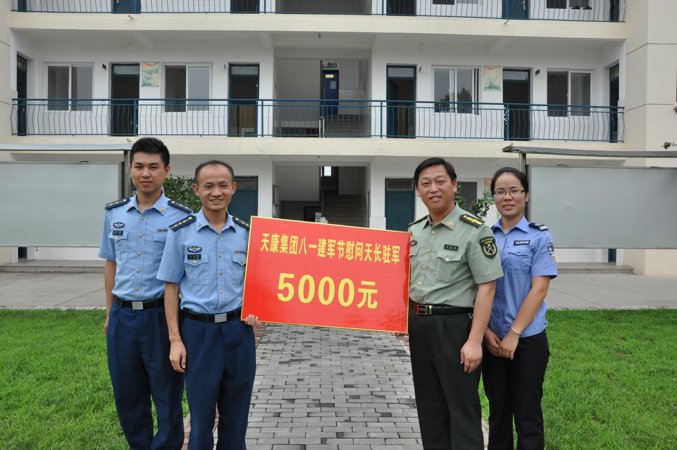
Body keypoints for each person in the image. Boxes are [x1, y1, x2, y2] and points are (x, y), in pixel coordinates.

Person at [157, 160, 260, 450]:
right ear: (196, 189)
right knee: (201, 419)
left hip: (238, 331)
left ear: (233, 188)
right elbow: (170, 287)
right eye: (209, 186)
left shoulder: (248, 234)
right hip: (198, 333)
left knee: (236, 417)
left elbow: (257, 284)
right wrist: (175, 340)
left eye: (223, 185)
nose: (216, 192)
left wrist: (257, 310)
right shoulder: (181, 232)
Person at [99, 137, 191, 449]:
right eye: (139, 166)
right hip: (122, 318)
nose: (145, 173)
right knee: (127, 395)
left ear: (167, 170)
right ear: (130, 170)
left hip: (161, 318)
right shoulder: (115, 214)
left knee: (167, 396)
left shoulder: (182, 217)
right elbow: (111, 263)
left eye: (153, 166)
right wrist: (110, 313)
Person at [408, 157, 504, 449]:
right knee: (429, 404)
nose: (433, 189)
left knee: (461, 407)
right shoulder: (414, 231)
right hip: (419, 326)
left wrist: (474, 341)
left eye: (440, 181)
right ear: (418, 191)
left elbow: (487, 287)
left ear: (454, 185)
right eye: (425, 184)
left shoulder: (474, 230)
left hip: (454, 328)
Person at [482, 167, 557, 450]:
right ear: (494, 197)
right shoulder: (484, 236)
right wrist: (485, 331)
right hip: (492, 340)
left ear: (525, 195)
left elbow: (539, 289)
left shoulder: (539, 237)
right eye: (500, 191)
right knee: (498, 412)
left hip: (527, 340)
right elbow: (478, 287)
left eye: (514, 190)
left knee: (527, 413)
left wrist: (514, 333)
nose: (507, 197)